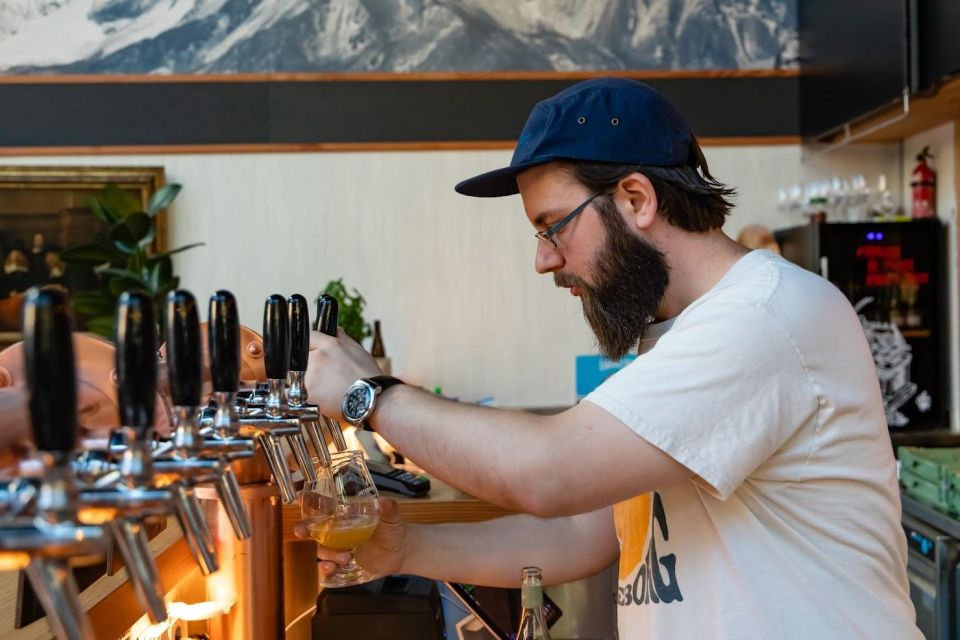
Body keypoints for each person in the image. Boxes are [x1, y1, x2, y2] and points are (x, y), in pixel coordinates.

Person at [305, 78, 919, 638]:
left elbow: (549, 471)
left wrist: (372, 396)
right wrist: (405, 549)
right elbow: (579, 532)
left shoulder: (766, 318)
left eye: (553, 227)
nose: (543, 261)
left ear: (634, 199)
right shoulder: (677, 335)